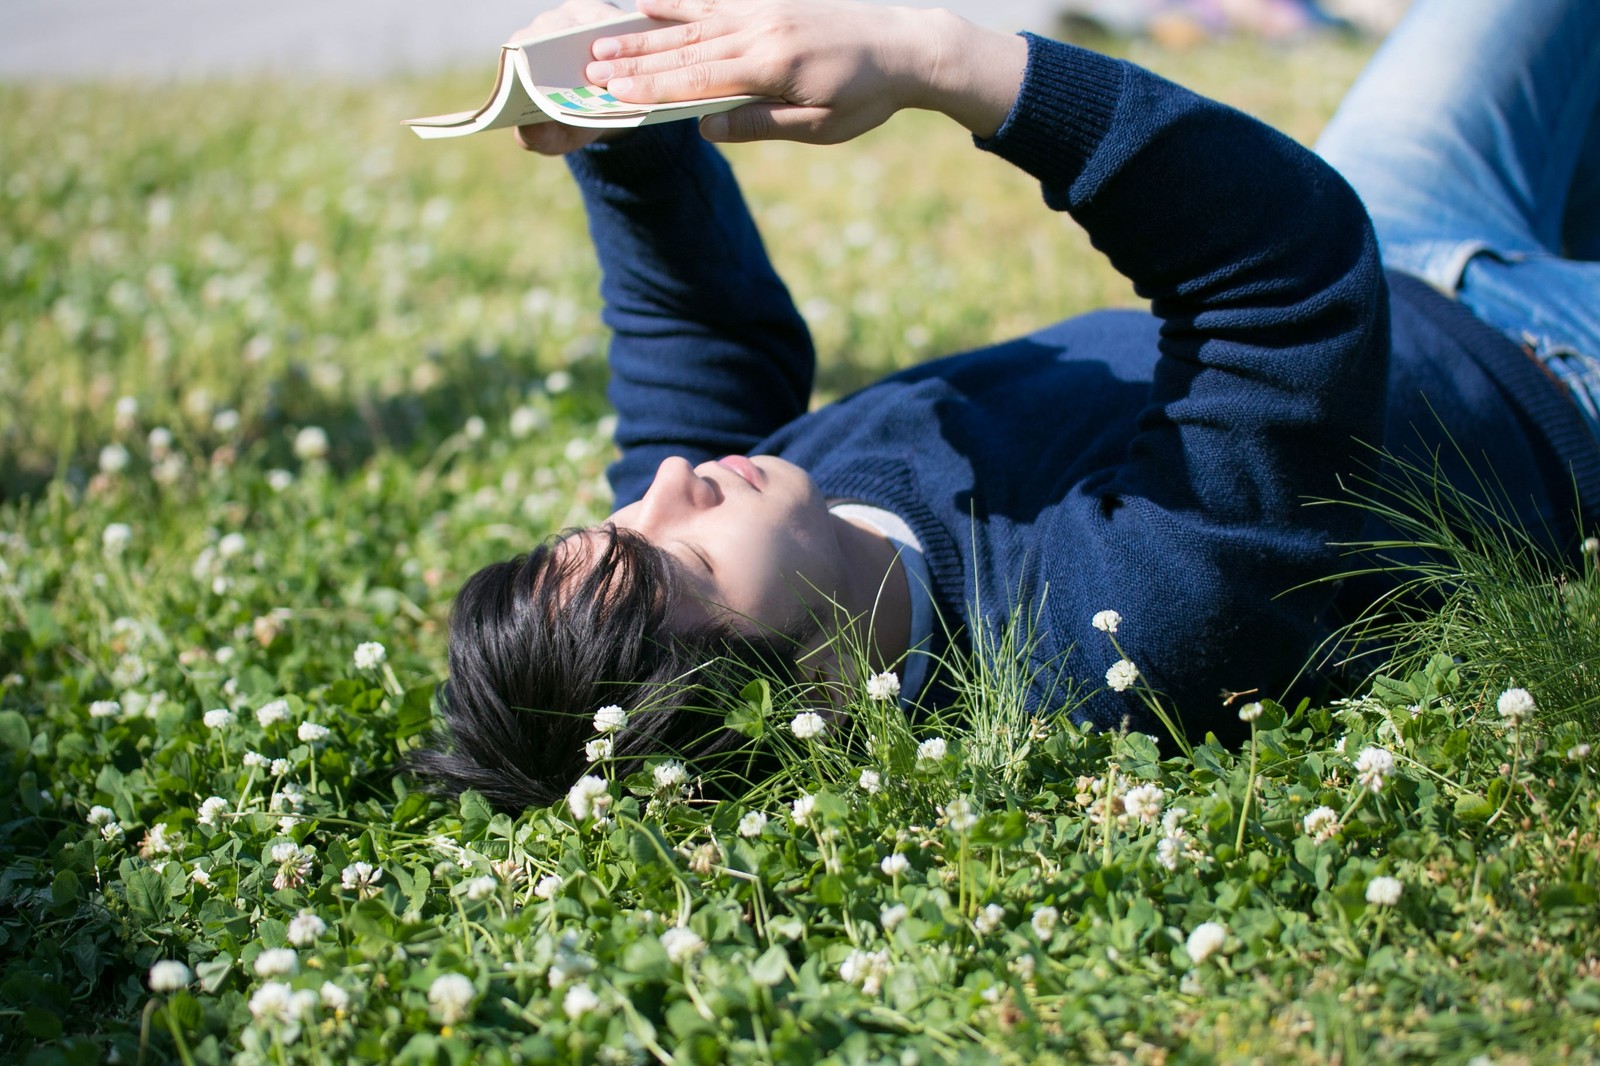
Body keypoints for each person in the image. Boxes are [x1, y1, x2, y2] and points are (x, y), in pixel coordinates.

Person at [413, 0, 1600, 814]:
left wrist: (619, 123)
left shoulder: (763, 519)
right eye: (683, 563)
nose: (672, 485)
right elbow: (1283, 283)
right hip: (1554, 375)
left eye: (617, 526)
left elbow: (703, 343)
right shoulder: (1113, 632)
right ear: (797, 706)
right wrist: (943, 62)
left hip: (1401, 224)